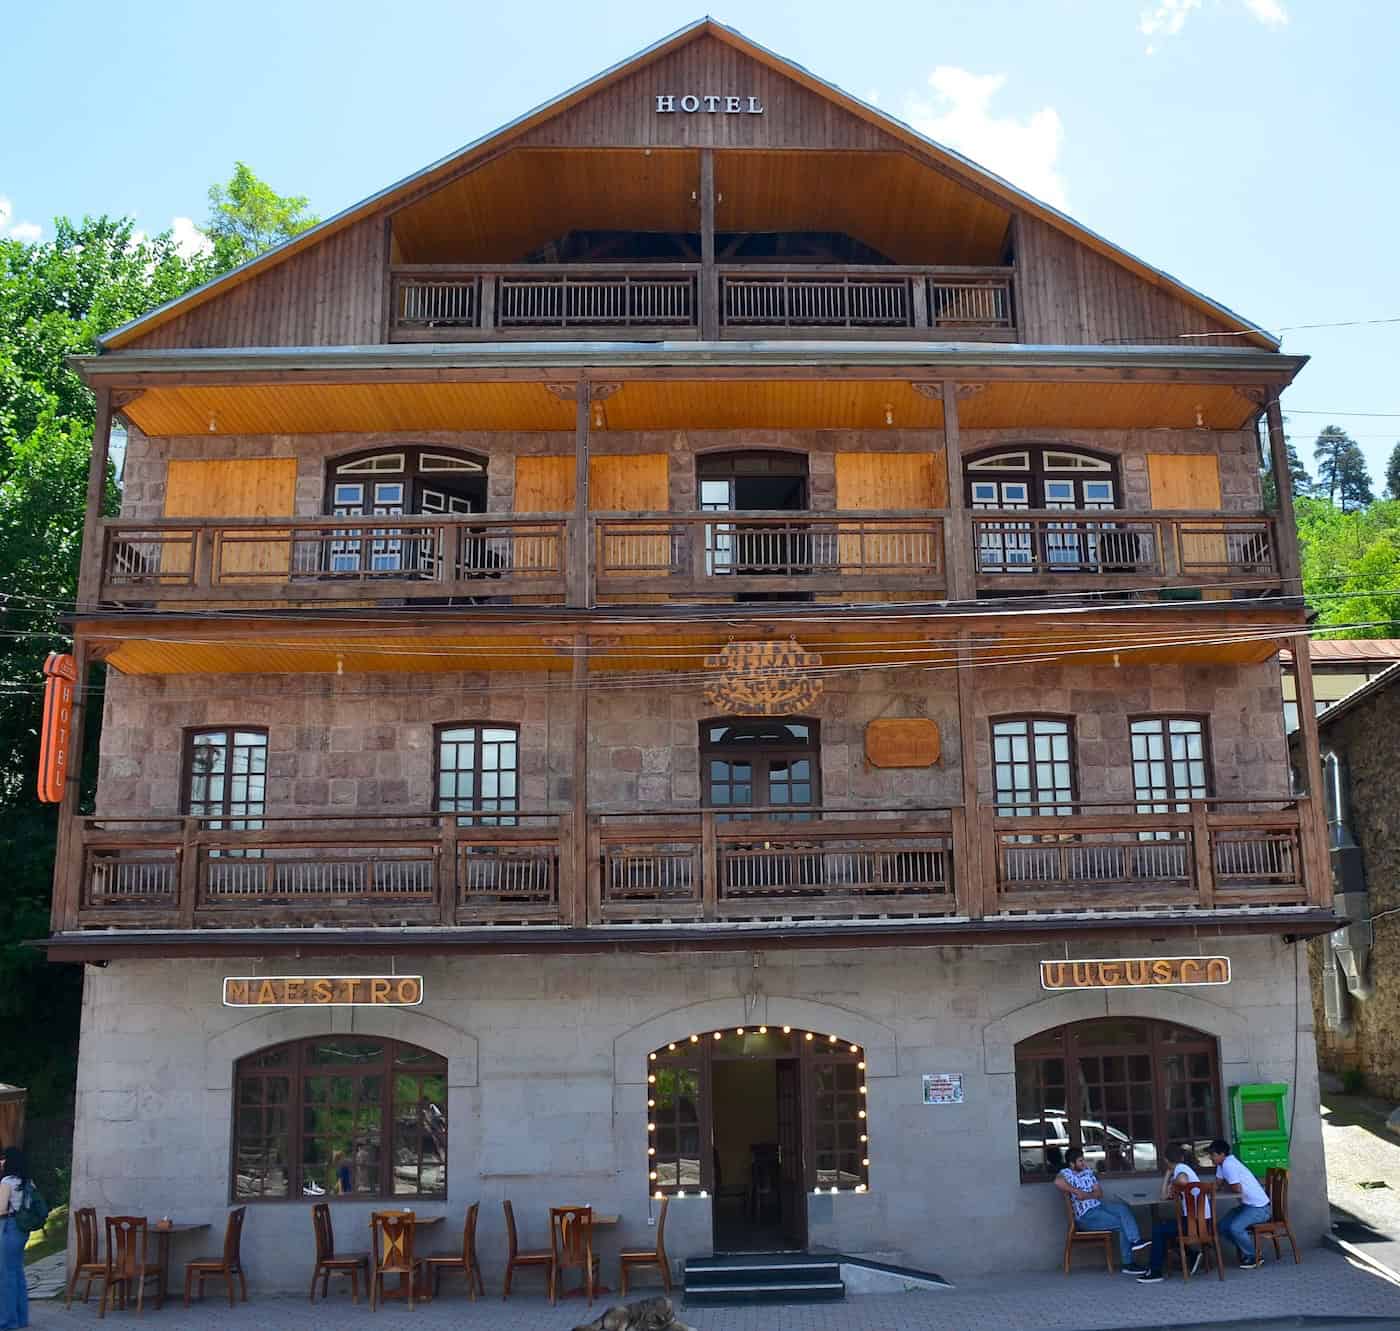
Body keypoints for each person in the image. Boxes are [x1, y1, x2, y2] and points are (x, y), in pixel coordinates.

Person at [1054, 1146, 1148, 1273]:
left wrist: (1086, 1195)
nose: (1084, 1163)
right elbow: (1057, 1182)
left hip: (1098, 1206)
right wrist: (1076, 1191)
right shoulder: (1066, 1173)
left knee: (1122, 1208)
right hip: (1086, 1216)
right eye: (1080, 1161)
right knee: (1122, 1224)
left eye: (1083, 1160)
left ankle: (1135, 1241)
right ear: (1072, 1163)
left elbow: (1099, 1193)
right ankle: (1128, 1264)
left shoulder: (1087, 1172)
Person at [1137, 1143, 1210, 1283]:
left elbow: (1182, 1181)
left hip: (1193, 1224)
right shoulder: (1184, 1169)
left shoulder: (1181, 1170)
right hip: (1204, 1223)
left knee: (1159, 1229)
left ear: (1166, 1161)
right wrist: (1168, 1175)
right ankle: (1192, 1255)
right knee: (1167, 1228)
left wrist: (1173, 1180)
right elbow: (1164, 1196)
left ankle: (1155, 1271)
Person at [1209, 1138, 1271, 1269]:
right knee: (1222, 1226)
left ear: (1222, 1154)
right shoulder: (1221, 1165)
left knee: (1235, 1228)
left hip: (1259, 1208)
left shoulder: (1228, 1165)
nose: (1211, 1158)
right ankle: (1248, 1251)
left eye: (1213, 1155)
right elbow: (1217, 1184)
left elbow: (1237, 1189)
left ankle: (1254, 1257)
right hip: (1248, 1205)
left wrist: (1222, 1187)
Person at [0, 1146, 31, 1330]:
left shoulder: (7, 1182)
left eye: (4, 1158)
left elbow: (1, 1208)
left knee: (6, 1276)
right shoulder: (27, 1182)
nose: (1, 1161)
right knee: (18, 1273)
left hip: (9, 1227)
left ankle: (7, 1321)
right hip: (22, 1230)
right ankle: (21, 1318)